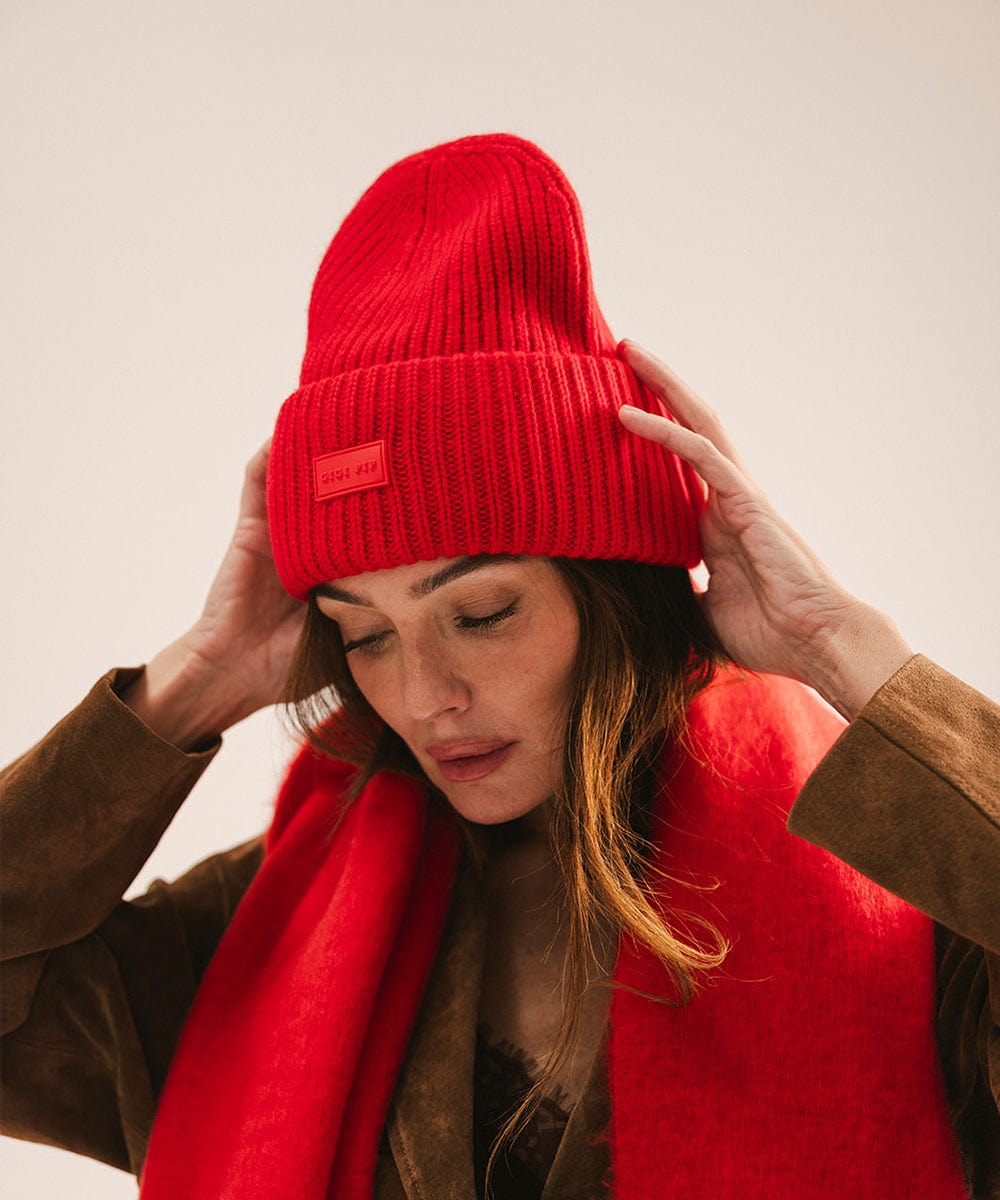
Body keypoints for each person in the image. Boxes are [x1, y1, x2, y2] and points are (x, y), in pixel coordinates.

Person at [2, 132, 997, 1200]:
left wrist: (846, 656)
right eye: (364, 632)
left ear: (609, 593)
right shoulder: (255, 942)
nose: (425, 696)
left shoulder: (907, 917)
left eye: (479, 613)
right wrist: (190, 685)